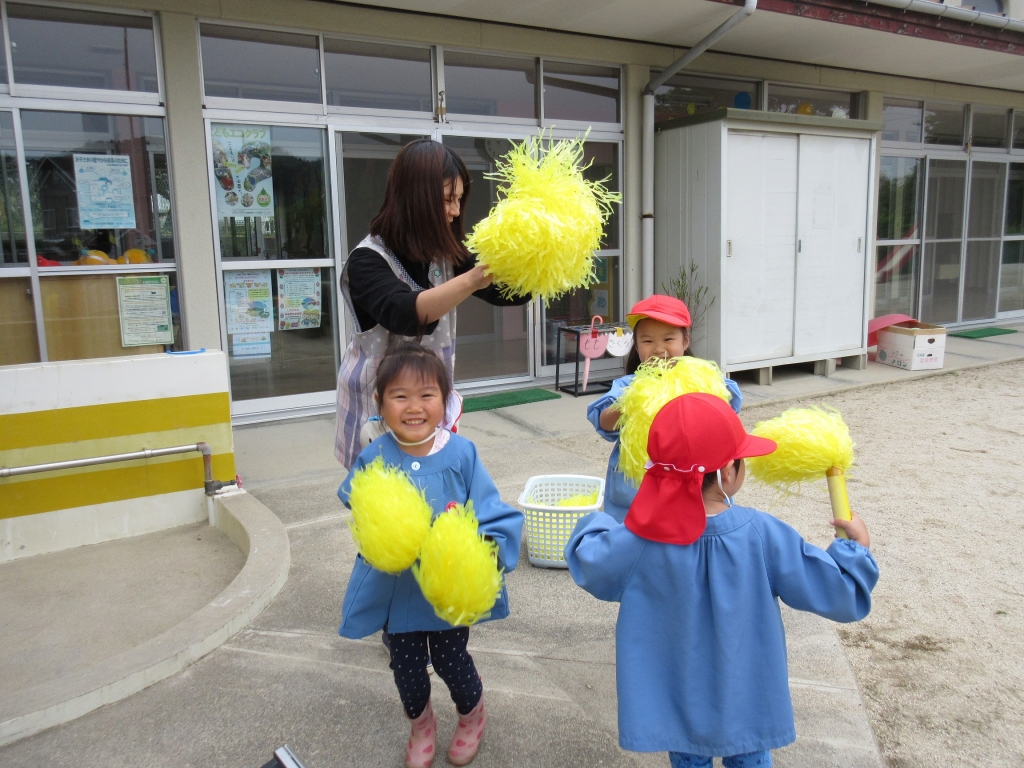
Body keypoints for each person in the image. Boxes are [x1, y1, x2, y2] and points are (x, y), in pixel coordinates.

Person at [565, 393, 879, 768]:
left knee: (686, 754)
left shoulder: (641, 538)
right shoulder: (762, 533)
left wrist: (597, 522)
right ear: (728, 472)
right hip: (745, 701)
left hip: (679, 701)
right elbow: (840, 592)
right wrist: (855, 549)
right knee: (750, 755)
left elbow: (590, 560)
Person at [337, 341, 524, 768]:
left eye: (426, 395)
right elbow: (356, 500)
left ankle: (471, 716)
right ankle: (421, 725)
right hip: (397, 592)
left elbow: (491, 509)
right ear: (380, 403)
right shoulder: (375, 456)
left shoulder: (461, 453)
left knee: (452, 661)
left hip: (447, 592)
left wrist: (487, 548)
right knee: (406, 669)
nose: (414, 407)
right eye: (399, 396)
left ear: (445, 400)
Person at [335, 138, 530, 469]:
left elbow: (507, 292)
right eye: (447, 200)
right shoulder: (367, 260)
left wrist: (540, 258)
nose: (455, 211)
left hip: (428, 410)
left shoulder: (444, 254)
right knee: (381, 498)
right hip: (377, 414)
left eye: (459, 199)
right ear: (415, 199)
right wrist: (472, 279)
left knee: (432, 491)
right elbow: (405, 313)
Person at [587, 294, 742, 522]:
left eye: (668, 339)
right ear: (636, 346)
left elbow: (728, 406)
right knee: (636, 531)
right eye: (648, 341)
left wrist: (701, 394)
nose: (659, 349)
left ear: (685, 342)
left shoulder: (703, 379)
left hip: (692, 479)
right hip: (638, 487)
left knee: (693, 523)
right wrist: (632, 401)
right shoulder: (629, 385)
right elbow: (603, 421)